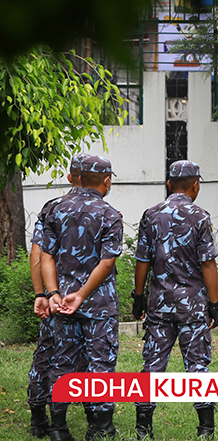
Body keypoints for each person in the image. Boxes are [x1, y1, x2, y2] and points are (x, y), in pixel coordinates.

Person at [132, 160, 218, 439]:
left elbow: (142, 261)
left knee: (152, 364)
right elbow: (208, 264)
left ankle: (143, 428)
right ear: (195, 185)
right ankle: (205, 428)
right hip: (192, 306)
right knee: (197, 364)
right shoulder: (200, 217)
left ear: (169, 184)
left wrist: (138, 297)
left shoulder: (151, 214)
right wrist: (214, 304)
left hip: (159, 305)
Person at [39, 155, 123, 441]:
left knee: (62, 363)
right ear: (106, 180)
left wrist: (53, 294)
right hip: (98, 304)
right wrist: (82, 295)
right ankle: (101, 427)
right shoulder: (109, 214)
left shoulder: (54, 209)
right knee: (101, 363)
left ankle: (58, 428)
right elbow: (107, 262)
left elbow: (45, 256)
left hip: (61, 303)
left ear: (75, 176)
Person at [26, 154, 85, 438]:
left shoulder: (52, 209)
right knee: (79, 359)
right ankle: (82, 420)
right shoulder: (99, 210)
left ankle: (39, 419)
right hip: (79, 301)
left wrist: (43, 294)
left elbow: (37, 254)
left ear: (70, 177)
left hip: (54, 296)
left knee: (46, 356)